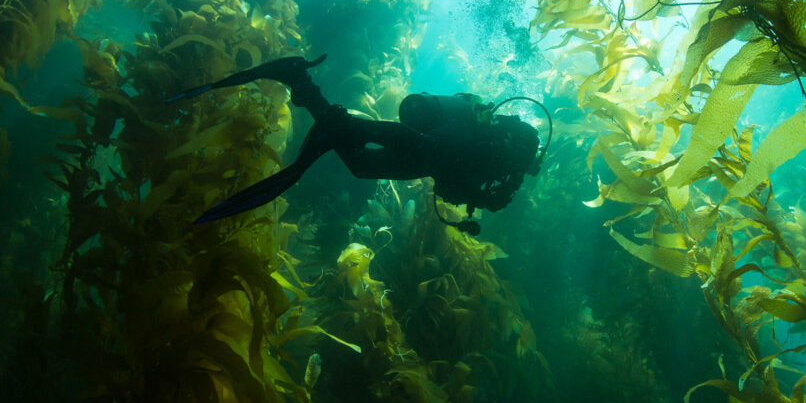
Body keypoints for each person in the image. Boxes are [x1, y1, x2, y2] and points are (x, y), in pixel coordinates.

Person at [167, 55, 544, 234]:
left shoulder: (507, 151)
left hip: (435, 157)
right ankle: (321, 105)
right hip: (439, 150)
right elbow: (489, 197)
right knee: (362, 133)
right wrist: (500, 192)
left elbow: (461, 187)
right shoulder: (513, 159)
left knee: (361, 165)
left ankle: (305, 88)